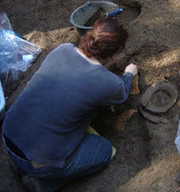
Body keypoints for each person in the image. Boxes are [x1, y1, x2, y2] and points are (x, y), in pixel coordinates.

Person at [2, 17, 138, 191]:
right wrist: (129, 74)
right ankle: (44, 183)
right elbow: (122, 93)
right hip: (40, 161)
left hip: (8, 134)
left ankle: (21, 165)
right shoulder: (109, 82)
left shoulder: (63, 49)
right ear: (113, 53)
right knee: (103, 150)